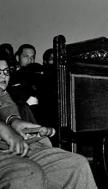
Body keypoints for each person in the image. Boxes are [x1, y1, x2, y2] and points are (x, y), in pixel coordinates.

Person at [0, 56, 98, 189]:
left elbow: (5, 106)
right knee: (27, 174)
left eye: (6, 71)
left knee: (76, 164)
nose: (3, 76)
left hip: (21, 149)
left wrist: (16, 123)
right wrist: (4, 130)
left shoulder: (4, 94)